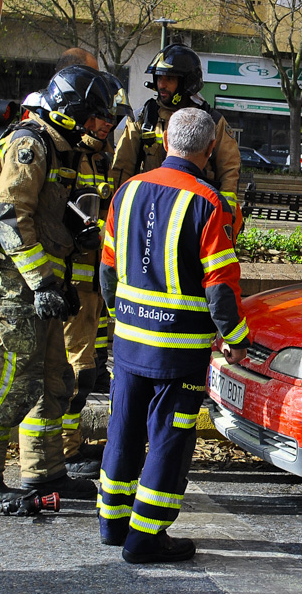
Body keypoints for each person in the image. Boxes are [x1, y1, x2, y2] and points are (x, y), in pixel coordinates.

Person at [0, 65, 118, 504]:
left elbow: (45, 213)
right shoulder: (31, 143)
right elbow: (10, 216)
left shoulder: (66, 147)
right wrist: (41, 281)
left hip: (48, 281)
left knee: (53, 378)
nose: (103, 125)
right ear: (71, 112)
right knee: (13, 377)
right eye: (96, 116)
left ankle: (44, 473)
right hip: (15, 282)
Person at [97, 107, 250, 564]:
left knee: (122, 428)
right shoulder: (209, 203)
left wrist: (122, 319)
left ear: (165, 141)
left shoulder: (126, 191)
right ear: (207, 151)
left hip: (128, 342)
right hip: (178, 352)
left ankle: (113, 522)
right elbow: (220, 286)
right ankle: (146, 537)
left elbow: (107, 270)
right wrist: (237, 338)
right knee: (169, 437)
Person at [58, 70, 133, 480]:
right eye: (102, 118)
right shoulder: (67, 153)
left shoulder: (94, 155)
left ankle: (66, 448)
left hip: (93, 284)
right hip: (73, 283)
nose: (109, 125)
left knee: (85, 369)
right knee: (75, 370)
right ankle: (62, 452)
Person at [110, 43, 243, 238]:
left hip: (196, 213)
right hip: (150, 211)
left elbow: (230, 171)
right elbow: (121, 169)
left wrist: (225, 216)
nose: (161, 85)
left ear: (187, 82)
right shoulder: (143, 119)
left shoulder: (212, 122)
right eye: (159, 78)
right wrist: (119, 212)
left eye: (169, 79)